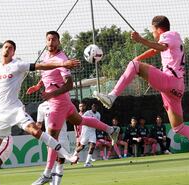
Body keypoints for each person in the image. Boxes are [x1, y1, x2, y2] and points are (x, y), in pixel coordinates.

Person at [93, 15, 189, 166]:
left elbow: (160, 47)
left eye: (152, 30)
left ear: (158, 29)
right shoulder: (175, 37)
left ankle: (112, 96)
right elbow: (156, 50)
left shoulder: (168, 35)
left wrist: (140, 40)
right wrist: (138, 57)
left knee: (135, 66)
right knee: (179, 127)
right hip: (177, 88)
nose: (152, 33)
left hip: (170, 81)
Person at [0, 39, 80, 185]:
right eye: (5, 47)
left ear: (13, 52)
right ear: (1, 50)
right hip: (0, 112)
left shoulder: (18, 65)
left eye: (10, 48)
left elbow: (40, 66)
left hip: (14, 109)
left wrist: (63, 64)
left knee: (34, 131)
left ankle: (68, 155)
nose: (7, 49)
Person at [26, 31, 120, 167]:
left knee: (51, 137)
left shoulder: (61, 59)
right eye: (48, 39)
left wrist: (51, 94)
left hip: (60, 101)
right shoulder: (46, 56)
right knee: (80, 120)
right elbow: (46, 74)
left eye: (54, 39)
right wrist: (37, 86)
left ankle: (48, 171)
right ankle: (111, 130)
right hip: (59, 101)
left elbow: (69, 85)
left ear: (59, 42)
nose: (51, 42)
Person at [30, 99, 69, 185]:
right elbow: (39, 124)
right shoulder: (42, 106)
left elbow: (70, 117)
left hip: (63, 137)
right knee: (52, 164)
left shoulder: (62, 102)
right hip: (50, 138)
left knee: (60, 164)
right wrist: (33, 130)